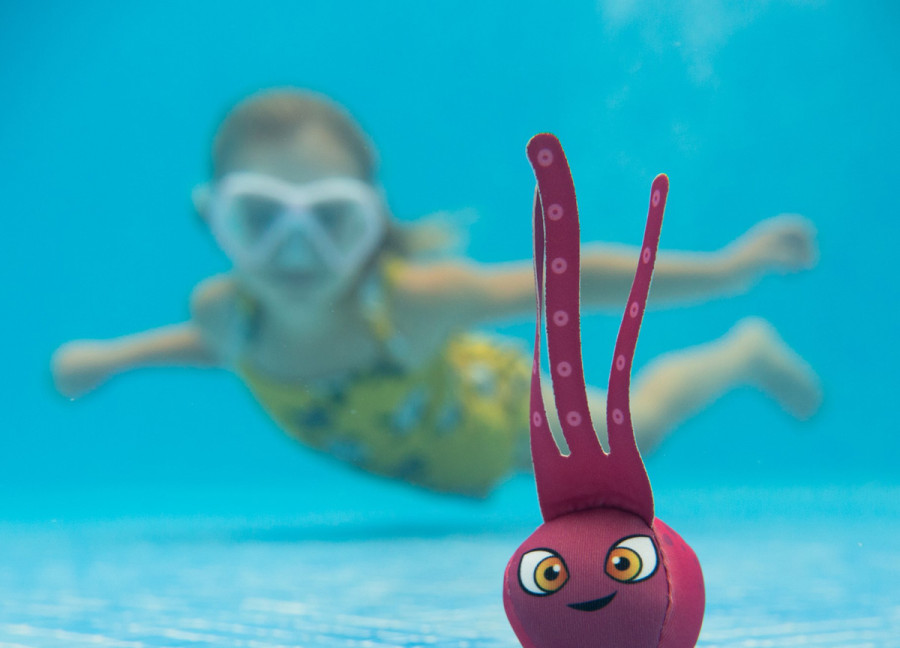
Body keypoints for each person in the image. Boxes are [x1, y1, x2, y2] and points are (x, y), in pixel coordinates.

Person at [51, 88, 821, 497]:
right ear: (213, 219)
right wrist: (115, 358)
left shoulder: (414, 302)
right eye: (260, 218)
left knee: (636, 430)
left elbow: (571, 275)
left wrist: (726, 269)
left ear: (372, 224)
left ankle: (743, 353)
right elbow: (216, 349)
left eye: (330, 219)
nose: (297, 253)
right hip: (441, 456)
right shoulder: (228, 317)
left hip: (504, 416)